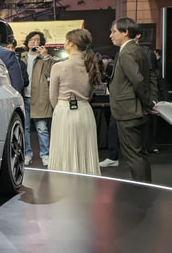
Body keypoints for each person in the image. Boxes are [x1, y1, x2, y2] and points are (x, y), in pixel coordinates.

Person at [108, 17, 155, 183]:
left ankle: (142, 189)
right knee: (140, 154)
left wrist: (148, 102)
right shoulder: (139, 50)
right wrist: (151, 101)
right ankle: (145, 187)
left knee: (133, 155)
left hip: (128, 112)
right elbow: (150, 76)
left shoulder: (126, 52)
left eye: (114, 31)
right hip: (137, 110)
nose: (111, 35)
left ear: (125, 32)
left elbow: (138, 80)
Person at [47, 29, 101, 175]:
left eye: (66, 40)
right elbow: (90, 94)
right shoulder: (91, 66)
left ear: (72, 43)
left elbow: (53, 97)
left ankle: (64, 185)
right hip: (85, 112)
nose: (64, 43)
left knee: (64, 153)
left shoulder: (58, 67)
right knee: (85, 154)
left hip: (64, 112)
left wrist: (60, 109)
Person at [21, 31, 55, 166]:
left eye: (36, 40)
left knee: (42, 128)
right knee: (25, 128)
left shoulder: (44, 58)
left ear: (41, 43)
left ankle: (45, 154)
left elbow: (51, 73)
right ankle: (27, 154)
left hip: (40, 97)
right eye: (31, 40)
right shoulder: (21, 57)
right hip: (24, 96)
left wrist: (45, 56)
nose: (33, 42)